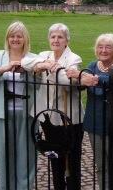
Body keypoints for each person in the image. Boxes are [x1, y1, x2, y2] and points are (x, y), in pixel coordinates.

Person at [21, 23, 84, 190]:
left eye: (60, 37)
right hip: (47, 117)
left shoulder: (74, 58)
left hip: (69, 118)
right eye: (53, 36)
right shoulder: (44, 55)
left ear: (66, 41)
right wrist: (44, 64)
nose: (56, 40)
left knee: (72, 159)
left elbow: (66, 83)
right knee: (55, 157)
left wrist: (56, 70)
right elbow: (25, 62)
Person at [66, 33, 113, 189]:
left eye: (108, 47)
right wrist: (80, 77)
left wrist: (93, 79)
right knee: (101, 165)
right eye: (100, 47)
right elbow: (80, 84)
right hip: (94, 123)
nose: (104, 50)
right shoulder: (93, 65)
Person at [0, 21, 36, 190]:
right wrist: (3, 70)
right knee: (4, 155)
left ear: (25, 39)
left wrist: (28, 73)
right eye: (12, 36)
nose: (15, 39)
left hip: (27, 114)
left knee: (26, 155)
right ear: (7, 38)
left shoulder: (32, 58)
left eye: (19, 36)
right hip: (3, 113)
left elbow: (41, 84)